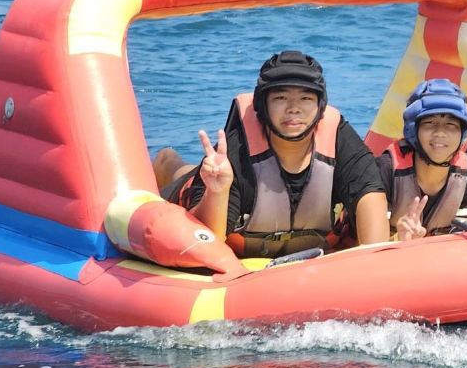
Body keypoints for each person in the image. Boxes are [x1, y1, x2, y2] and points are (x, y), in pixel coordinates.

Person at [154, 50, 389, 258]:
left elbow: (371, 196)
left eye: (306, 98)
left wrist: (375, 268)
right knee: (181, 171)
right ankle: (165, 160)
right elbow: (206, 241)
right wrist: (218, 192)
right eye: (280, 98)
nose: (294, 108)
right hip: (204, 198)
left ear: (320, 106)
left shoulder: (340, 139)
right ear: (262, 105)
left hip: (308, 242)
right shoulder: (235, 151)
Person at [377, 79, 467, 241]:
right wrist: (399, 239)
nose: (440, 132)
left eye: (451, 124)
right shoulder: (386, 169)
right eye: (429, 123)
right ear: (413, 130)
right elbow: (363, 245)